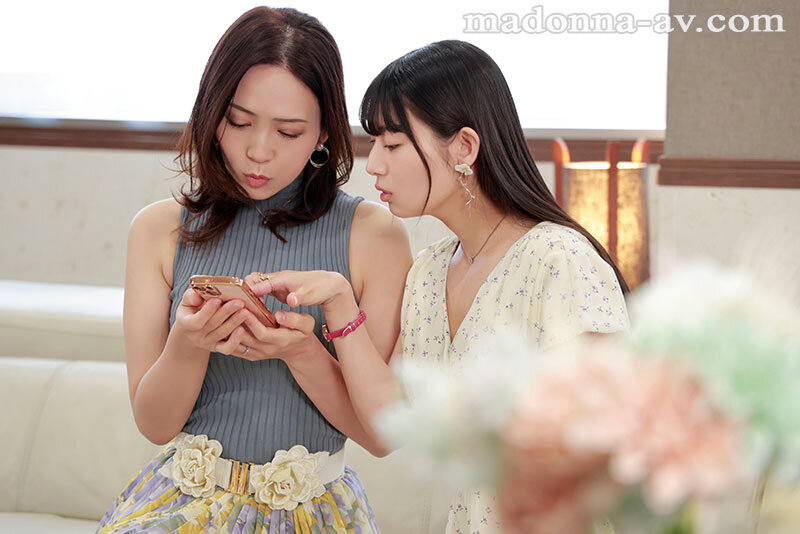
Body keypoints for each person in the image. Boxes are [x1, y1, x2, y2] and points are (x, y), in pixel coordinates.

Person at [250, 40, 630, 534]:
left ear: (464, 147)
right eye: (374, 143)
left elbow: (606, 449)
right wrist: (340, 302)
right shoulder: (429, 271)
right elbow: (388, 422)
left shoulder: (558, 260)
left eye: (392, 144)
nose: (374, 164)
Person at [98, 7, 411, 533]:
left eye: (288, 132)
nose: (258, 151)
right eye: (239, 122)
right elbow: (154, 425)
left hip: (313, 514)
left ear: (323, 134)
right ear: (210, 111)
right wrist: (188, 344)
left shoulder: (374, 236)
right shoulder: (157, 230)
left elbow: (380, 435)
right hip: (182, 506)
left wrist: (301, 351)